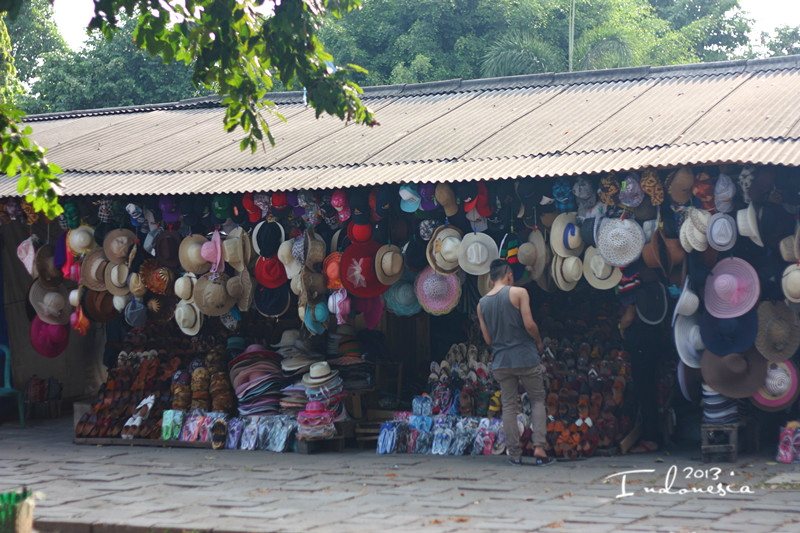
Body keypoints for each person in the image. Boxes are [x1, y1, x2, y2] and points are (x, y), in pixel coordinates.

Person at [477, 259, 553, 466]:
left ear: (491, 281)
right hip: (525, 356)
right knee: (537, 400)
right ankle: (539, 447)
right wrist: (538, 341)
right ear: (509, 275)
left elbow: (488, 340)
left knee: (509, 406)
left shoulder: (481, 304)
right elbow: (529, 324)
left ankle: (514, 454)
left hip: (501, 360)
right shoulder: (519, 293)